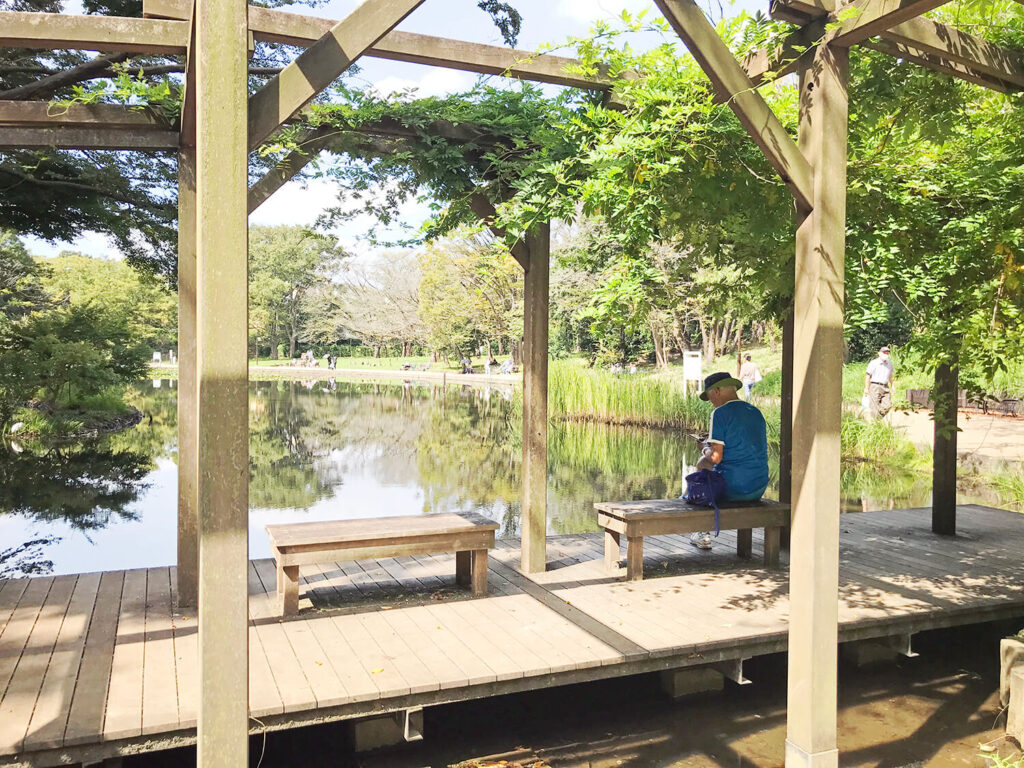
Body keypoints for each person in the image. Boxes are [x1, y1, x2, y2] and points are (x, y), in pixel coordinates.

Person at [690, 372, 770, 550]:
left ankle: (702, 533)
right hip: (758, 487)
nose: (710, 401)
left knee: (704, 463)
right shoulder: (755, 412)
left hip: (734, 489)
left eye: (709, 396)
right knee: (709, 464)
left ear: (717, 391)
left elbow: (717, 458)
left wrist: (704, 447)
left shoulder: (720, 413)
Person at [864, 346, 894, 419]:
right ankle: (875, 423)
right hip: (875, 386)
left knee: (887, 405)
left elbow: (890, 376)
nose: (886, 354)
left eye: (887, 353)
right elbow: (868, 376)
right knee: (874, 406)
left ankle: (878, 418)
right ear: (879, 353)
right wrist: (866, 388)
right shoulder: (874, 363)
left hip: (885, 386)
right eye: (884, 353)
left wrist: (893, 386)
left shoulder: (889, 364)